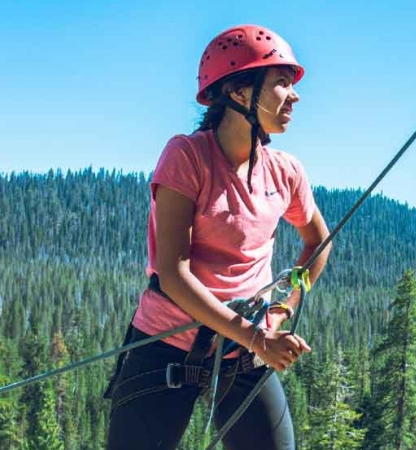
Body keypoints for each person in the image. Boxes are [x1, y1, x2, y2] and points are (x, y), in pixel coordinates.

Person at [104, 24, 330, 450]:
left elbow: (318, 242)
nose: (295, 95)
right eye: (282, 82)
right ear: (241, 93)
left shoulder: (285, 172)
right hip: (167, 345)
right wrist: (257, 336)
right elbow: (172, 273)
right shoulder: (187, 157)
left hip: (244, 352)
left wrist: (280, 308)